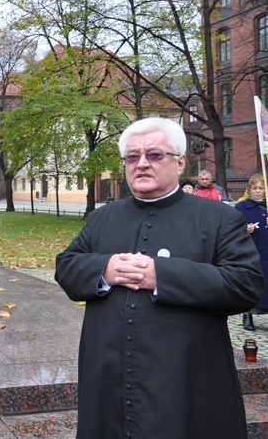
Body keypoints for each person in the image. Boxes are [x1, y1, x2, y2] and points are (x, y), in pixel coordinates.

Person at [55, 117, 264, 439]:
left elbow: (245, 284)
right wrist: (105, 269)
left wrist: (162, 275)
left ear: (180, 162)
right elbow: (67, 267)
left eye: (154, 155)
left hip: (185, 378)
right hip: (108, 374)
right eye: (132, 157)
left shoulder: (220, 218)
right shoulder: (102, 218)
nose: (141, 164)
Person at [235, 173, 268, 331]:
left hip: (267, 250)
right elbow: (233, 228)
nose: (258, 191)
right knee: (251, 282)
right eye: (255, 188)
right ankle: (247, 314)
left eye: (261, 188)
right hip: (251, 250)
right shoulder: (241, 207)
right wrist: (245, 229)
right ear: (249, 189)